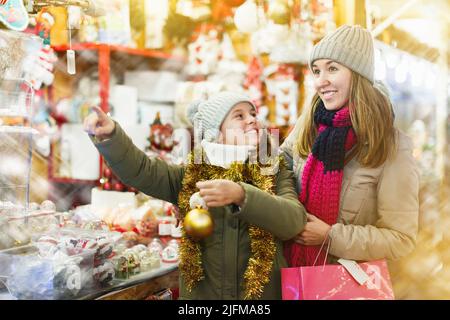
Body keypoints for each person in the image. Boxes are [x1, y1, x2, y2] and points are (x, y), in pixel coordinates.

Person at [84, 91, 307, 299]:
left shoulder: (274, 171)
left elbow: (294, 221)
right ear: (216, 133)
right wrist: (112, 136)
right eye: (239, 116)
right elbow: (142, 171)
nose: (251, 120)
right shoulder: (191, 175)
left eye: (253, 114)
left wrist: (242, 195)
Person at [281, 25, 419, 268]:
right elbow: (278, 171)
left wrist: (330, 236)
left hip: (347, 284)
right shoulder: (309, 125)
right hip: (294, 275)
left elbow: (401, 239)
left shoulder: (390, 145)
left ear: (357, 75)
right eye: (316, 71)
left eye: (332, 68)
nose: (320, 82)